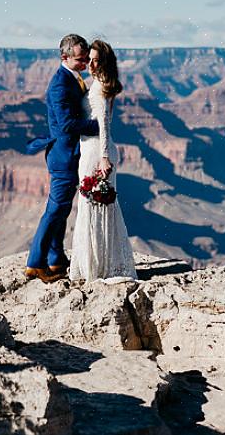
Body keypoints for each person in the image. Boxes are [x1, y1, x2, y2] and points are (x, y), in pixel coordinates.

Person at [24, 34, 99, 283]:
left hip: (70, 153)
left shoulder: (72, 77)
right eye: (80, 59)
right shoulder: (59, 84)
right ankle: (36, 263)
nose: (85, 63)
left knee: (62, 209)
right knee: (55, 211)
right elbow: (66, 124)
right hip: (64, 156)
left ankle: (56, 260)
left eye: (87, 58)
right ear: (64, 57)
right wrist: (97, 127)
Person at [69, 39, 136, 282]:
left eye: (97, 60)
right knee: (92, 207)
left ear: (105, 62)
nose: (91, 64)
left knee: (95, 207)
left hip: (97, 153)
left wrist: (105, 157)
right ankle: (97, 265)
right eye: (90, 59)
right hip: (89, 150)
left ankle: (98, 268)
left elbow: (104, 125)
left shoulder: (100, 87)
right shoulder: (97, 84)